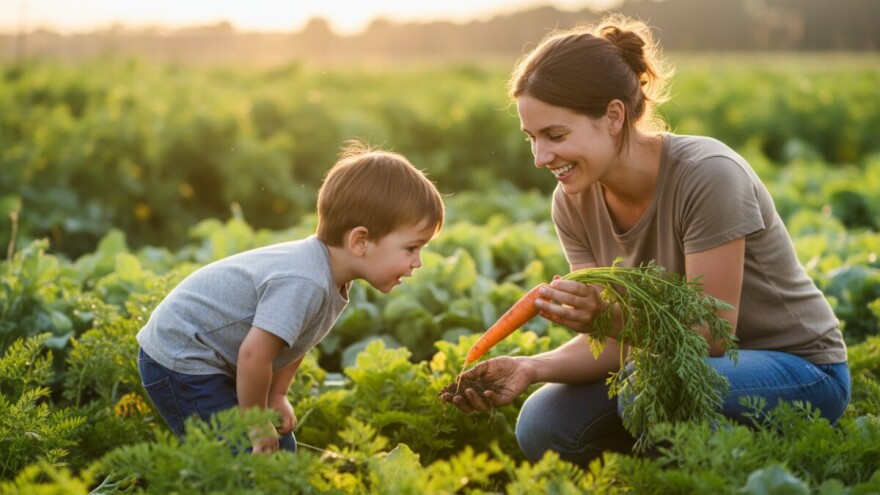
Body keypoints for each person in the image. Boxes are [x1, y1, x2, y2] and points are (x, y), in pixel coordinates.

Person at [440, 15, 850, 466]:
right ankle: (681, 457)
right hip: (676, 371)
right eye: (531, 138)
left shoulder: (708, 174)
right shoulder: (572, 202)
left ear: (614, 116)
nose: (540, 157)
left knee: (648, 384)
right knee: (543, 421)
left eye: (555, 135)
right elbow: (617, 343)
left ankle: (735, 468)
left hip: (800, 370)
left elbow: (710, 338)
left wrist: (606, 316)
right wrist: (531, 367)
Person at [137, 141, 444, 454]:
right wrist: (256, 422)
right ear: (360, 241)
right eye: (411, 248)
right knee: (241, 457)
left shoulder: (332, 277)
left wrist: (276, 397)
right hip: (183, 356)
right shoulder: (306, 281)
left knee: (281, 447)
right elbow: (254, 356)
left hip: (212, 355)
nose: (417, 262)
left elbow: (295, 342)